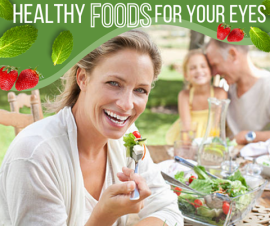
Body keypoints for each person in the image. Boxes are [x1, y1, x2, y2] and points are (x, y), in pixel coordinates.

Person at [0, 30, 183, 226]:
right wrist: (103, 217)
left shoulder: (129, 139)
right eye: (114, 83)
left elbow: (169, 212)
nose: (127, 104)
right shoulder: (35, 156)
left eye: (140, 90)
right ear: (82, 78)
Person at [206, 39, 270, 145]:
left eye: (215, 65)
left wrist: (249, 136)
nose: (213, 73)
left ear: (232, 55)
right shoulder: (224, 86)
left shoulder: (267, 86)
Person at [166, 49, 227, 145]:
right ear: (186, 75)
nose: (198, 71)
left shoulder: (220, 93)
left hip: (212, 140)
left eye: (203, 66)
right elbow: (186, 130)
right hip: (190, 140)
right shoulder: (184, 96)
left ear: (211, 71)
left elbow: (217, 126)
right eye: (192, 68)